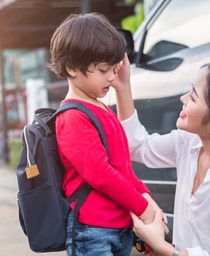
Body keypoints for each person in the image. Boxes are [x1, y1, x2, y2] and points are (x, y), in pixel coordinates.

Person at [48, 12, 160, 256]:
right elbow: (102, 175)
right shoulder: (72, 117)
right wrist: (144, 208)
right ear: (71, 68)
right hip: (92, 231)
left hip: (117, 226)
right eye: (102, 70)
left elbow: (122, 167)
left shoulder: (99, 107)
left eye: (113, 68)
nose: (111, 76)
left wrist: (145, 196)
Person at [113, 53, 210, 255]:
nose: (182, 99)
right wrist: (123, 85)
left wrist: (163, 246)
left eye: (192, 97)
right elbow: (137, 146)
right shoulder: (188, 141)